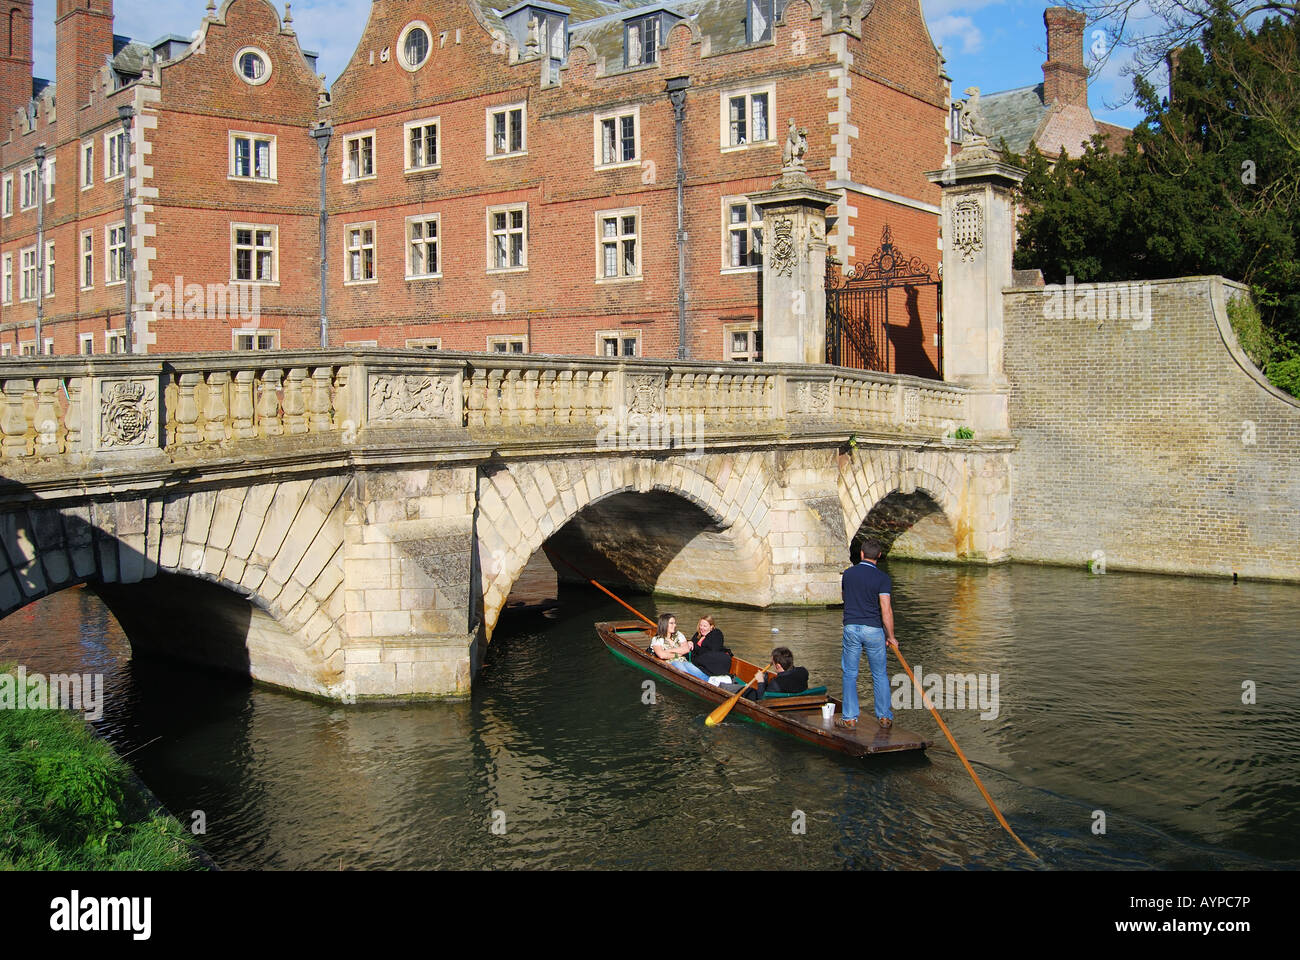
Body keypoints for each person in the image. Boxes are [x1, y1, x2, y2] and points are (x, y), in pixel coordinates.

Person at [838, 537, 898, 730]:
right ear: (879, 556)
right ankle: (884, 717)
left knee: (850, 674)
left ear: (861, 554)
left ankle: (849, 718)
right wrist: (891, 636)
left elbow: (845, 599)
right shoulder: (882, 578)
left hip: (851, 627)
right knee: (879, 674)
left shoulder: (848, 574)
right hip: (873, 629)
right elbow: (886, 609)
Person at [650, 612, 711, 682]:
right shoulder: (657, 639)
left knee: (694, 669)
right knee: (682, 669)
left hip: (683, 661)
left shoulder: (679, 635)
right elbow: (662, 655)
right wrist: (678, 654)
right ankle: (694, 683)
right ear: (664, 624)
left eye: (675, 623)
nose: (675, 625)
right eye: (671, 623)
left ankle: (712, 683)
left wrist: (668, 651)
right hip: (669, 664)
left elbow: (686, 649)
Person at [742, 646, 808, 701]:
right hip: (798, 702)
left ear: (778, 666)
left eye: (772, 663)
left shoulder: (776, 683)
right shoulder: (803, 671)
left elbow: (761, 700)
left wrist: (761, 682)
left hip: (780, 706)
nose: (771, 665)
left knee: (749, 692)